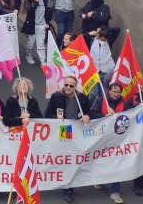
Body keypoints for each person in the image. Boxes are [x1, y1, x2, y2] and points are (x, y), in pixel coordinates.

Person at [44, 74, 95, 202]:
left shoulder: (82, 97)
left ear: (75, 87)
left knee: (76, 158)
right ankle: (67, 189)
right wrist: (55, 119)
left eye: (71, 86)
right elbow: (48, 113)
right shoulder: (56, 96)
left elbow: (89, 112)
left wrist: (87, 116)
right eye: (66, 85)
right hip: (65, 130)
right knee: (67, 158)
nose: (67, 87)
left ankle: (71, 184)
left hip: (78, 131)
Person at [21, 0, 52, 67]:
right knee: (31, 42)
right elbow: (29, 13)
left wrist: (48, 22)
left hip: (41, 24)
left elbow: (46, 12)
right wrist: (35, 2)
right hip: (32, 25)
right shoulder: (29, 0)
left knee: (40, 43)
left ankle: (43, 61)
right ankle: (29, 55)